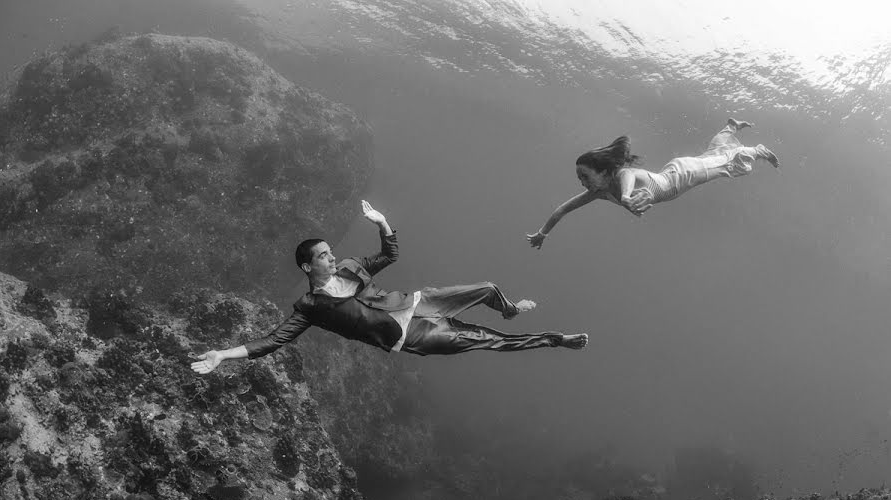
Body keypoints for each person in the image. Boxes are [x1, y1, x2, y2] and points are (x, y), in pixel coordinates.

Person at [191, 200, 588, 374]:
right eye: (324, 255)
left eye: (331, 252)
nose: (332, 257)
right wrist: (223, 356)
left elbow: (388, 256)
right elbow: (273, 340)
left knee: (487, 287)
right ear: (307, 265)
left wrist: (382, 223)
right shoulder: (309, 306)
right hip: (410, 335)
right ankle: (556, 340)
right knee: (490, 339)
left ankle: (511, 308)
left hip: (421, 302)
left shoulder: (349, 267)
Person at [526, 118, 780, 248]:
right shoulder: (598, 191)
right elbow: (563, 209)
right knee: (712, 157)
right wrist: (543, 233)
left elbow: (629, 177)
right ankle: (730, 127)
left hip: (683, 175)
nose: (582, 183)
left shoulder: (621, 177)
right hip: (674, 171)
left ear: (604, 172)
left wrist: (625, 197)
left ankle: (757, 150)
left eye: (585, 176)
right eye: (579, 178)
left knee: (726, 165)